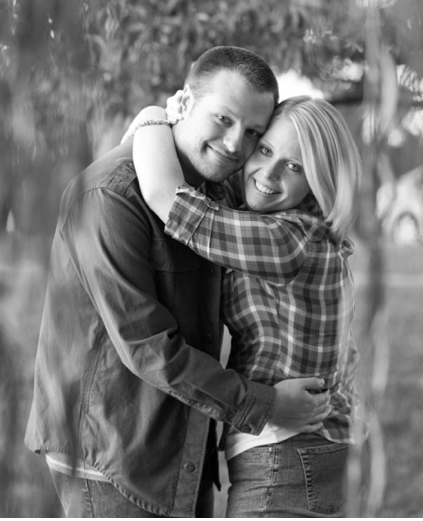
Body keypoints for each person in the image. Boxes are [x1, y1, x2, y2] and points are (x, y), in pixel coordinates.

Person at [25, 47, 332, 518]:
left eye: (253, 132)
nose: (235, 144)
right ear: (184, 104)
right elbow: (148, 347)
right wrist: (268, 406)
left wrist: (150, 119)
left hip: (185, 445)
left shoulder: (220, 191)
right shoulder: (109, 196)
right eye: (223, 119)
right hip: (113, 453)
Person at [131, 94, 362, 517]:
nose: (268, 174)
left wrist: (151, 117)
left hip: (288, 457)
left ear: (320, 180)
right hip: (309, 451)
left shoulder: (288, 242)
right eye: (266, 150)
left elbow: (169, 198)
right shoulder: (302, 234)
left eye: (294, 167)